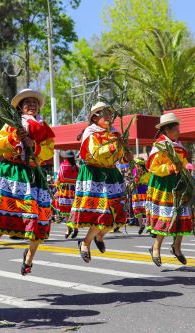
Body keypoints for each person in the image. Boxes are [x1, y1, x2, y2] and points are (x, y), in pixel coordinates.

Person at [0, 88, 55, 275]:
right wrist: (13, 137)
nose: (31, 105)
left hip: (33, 176)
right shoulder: (11, 125)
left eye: (34, 102)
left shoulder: (44, 127)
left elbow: (50, 150)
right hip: (13, 172)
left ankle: (29, 258)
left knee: (38, 219)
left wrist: (34, 145)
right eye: (27, 103)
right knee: (9, 210)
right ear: (20, 109)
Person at [70, 101, 132, 263]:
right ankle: (85, 242)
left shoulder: (115, 133)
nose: (109, 117)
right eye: (104, 114)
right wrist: (115, 146)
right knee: (101, 213)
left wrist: (126, 152)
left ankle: (99, 236)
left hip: (111, 174)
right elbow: (96, 154)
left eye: (110, 114)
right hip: (94, 173)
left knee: (117, 213)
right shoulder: (90, 133)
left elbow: (120, 156)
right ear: (95, 118)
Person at [146, 113, 192, 266]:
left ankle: (177, 248)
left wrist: (185, 172)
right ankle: (156, 248)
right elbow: (153, 167)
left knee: (182, 217)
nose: (179, 132)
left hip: (179, 184)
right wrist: (171, 168)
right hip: (164, 185)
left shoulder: (179, 147)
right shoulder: (159, 146)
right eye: (176, 130)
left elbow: (183, 164)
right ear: (167, 130)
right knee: (166, 218)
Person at [54, 150, 79, 239]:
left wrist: (57, 187)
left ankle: (69, 228)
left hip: (65, 191)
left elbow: (58, 179)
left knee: (66, 212)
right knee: (74, 211)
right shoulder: (76, 167)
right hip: (74, 191)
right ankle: (75, 227)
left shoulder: (63, 166)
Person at [132, 158, 150, 235]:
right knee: (147, 210)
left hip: (137, 191)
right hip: (146, 191)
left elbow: (135, 181)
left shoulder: (136, 171)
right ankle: (149, 226)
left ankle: (141, 225)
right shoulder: (148, 172)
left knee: (137, 210)